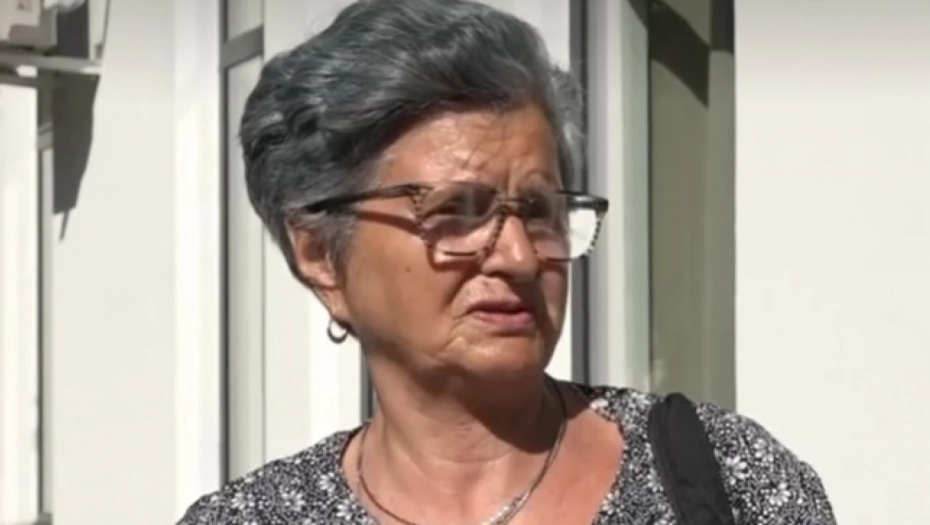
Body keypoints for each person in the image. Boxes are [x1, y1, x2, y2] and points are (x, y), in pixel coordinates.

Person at [179, 0, 835, 523]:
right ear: (322, 254)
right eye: (456, 211)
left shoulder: (723, 478)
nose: (520, 256)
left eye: (541, 210)